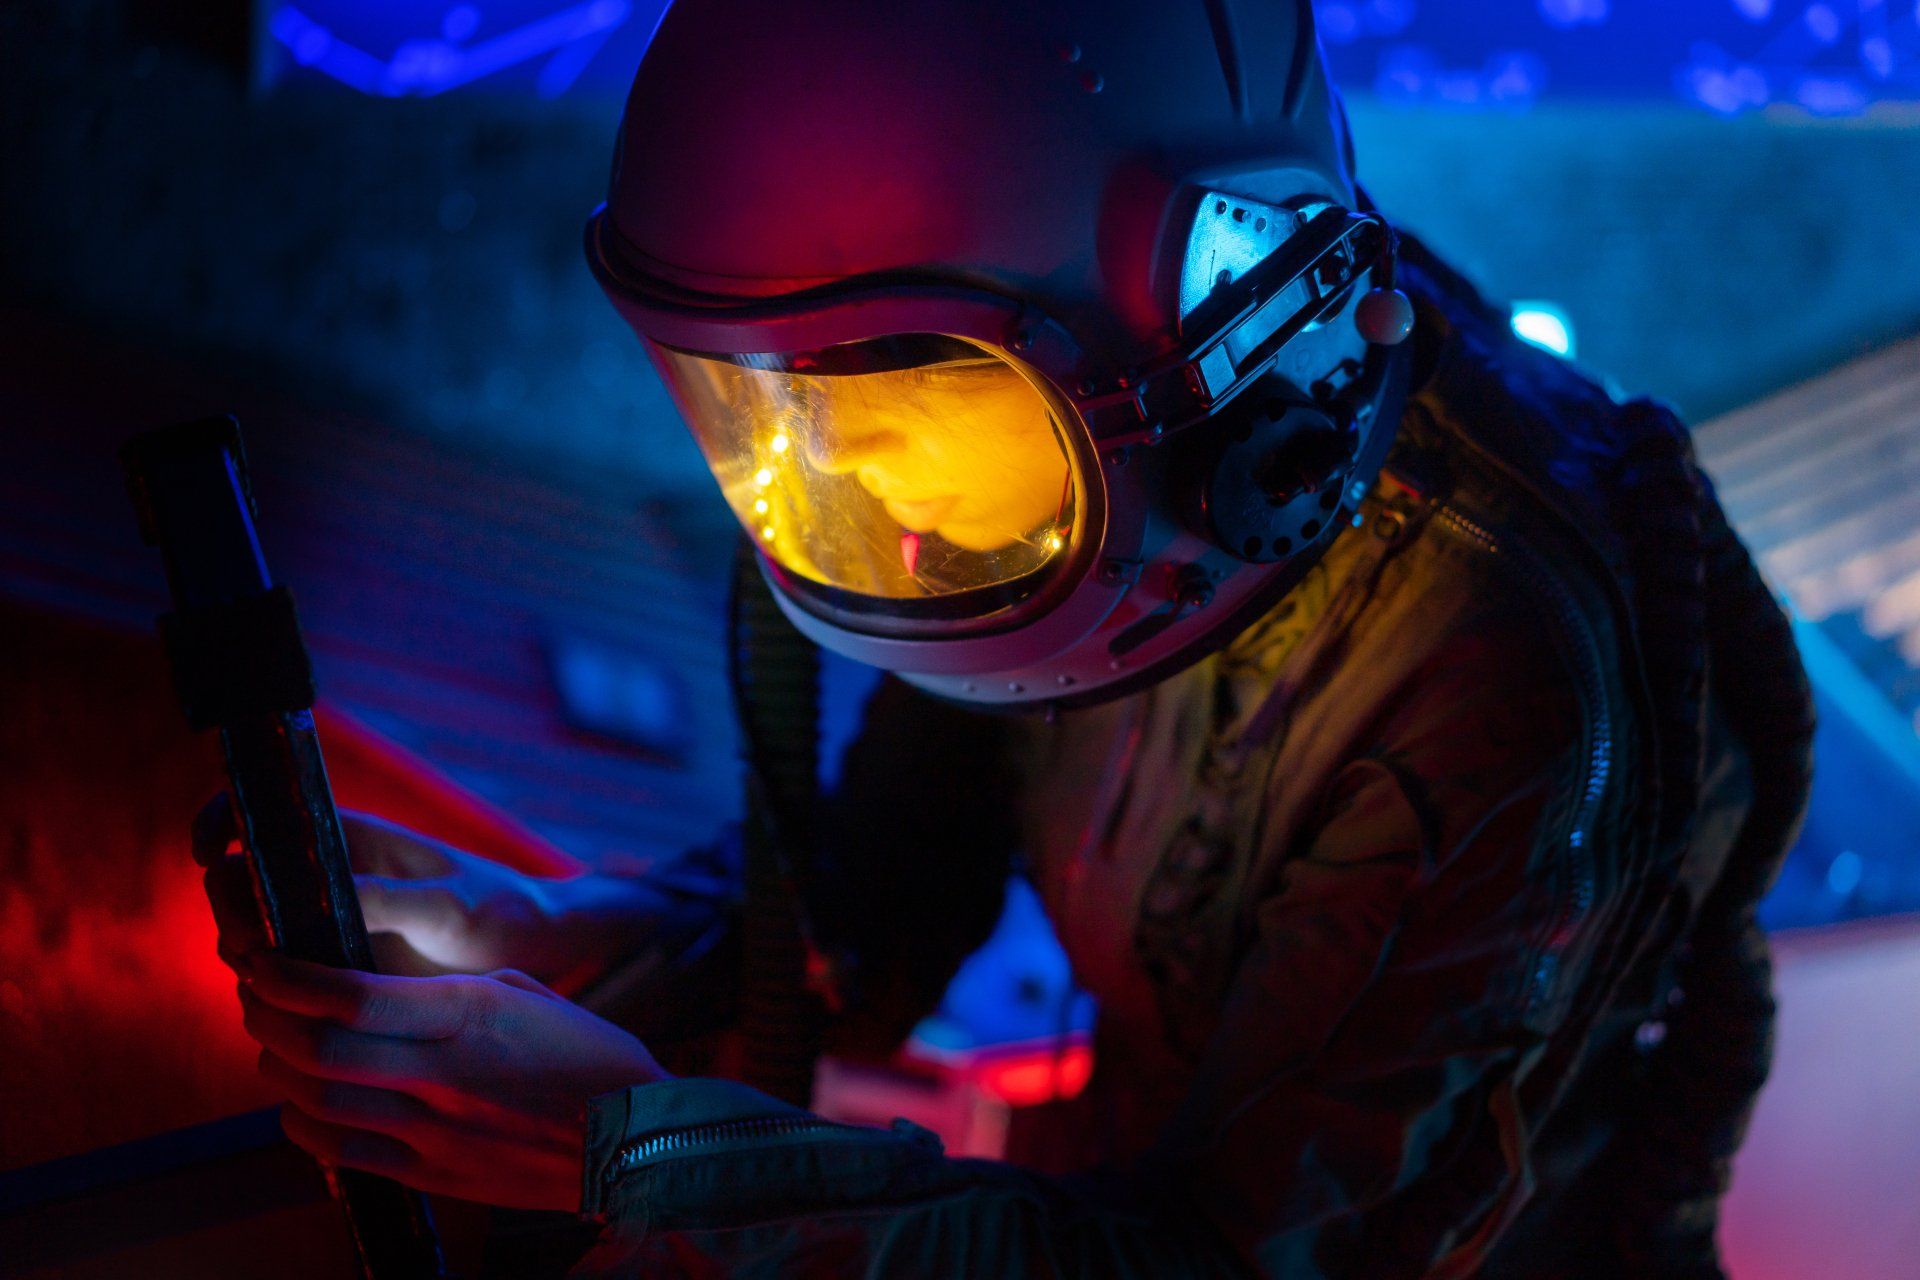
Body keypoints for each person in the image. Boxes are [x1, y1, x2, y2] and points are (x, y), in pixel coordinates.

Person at [197, 1, 1816, 1275]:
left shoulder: (1507, 690)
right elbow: (884, 897)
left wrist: (626, 1149)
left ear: (1218, 339)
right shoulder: (1071, 512)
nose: (840, 476)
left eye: (907, 402)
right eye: (780, 405)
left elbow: (1234, 1268)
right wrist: (533, 941)